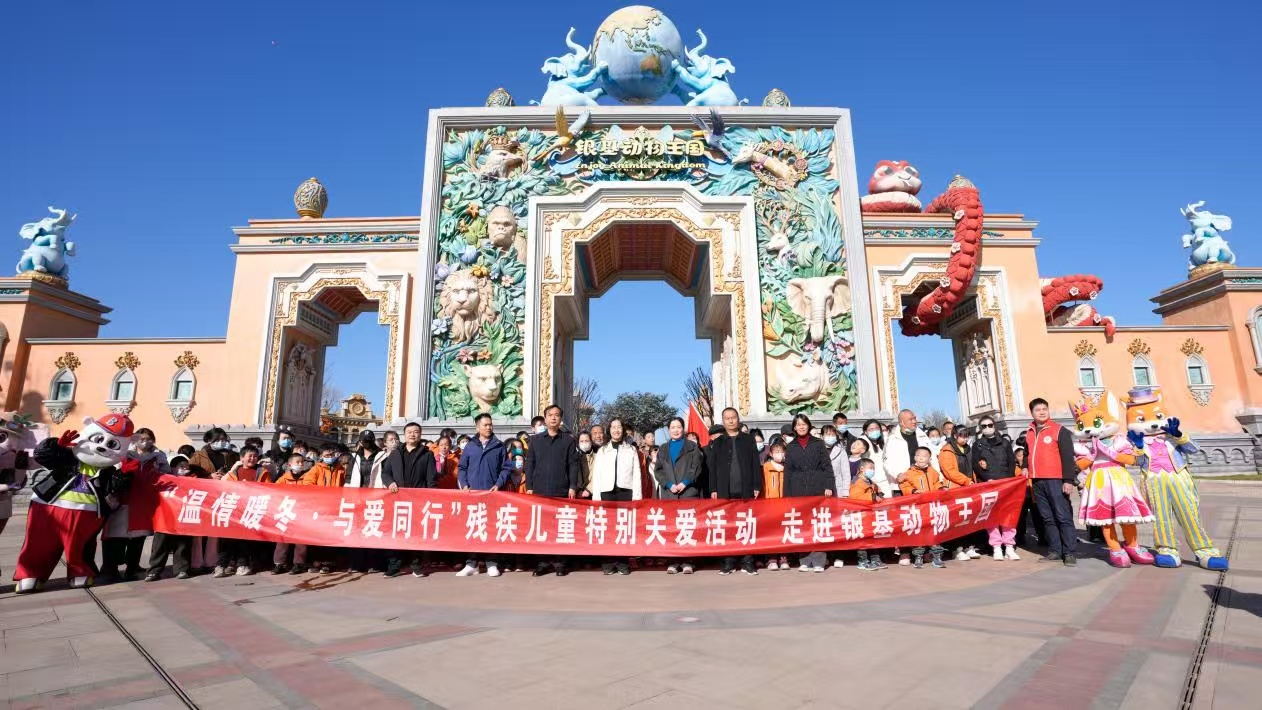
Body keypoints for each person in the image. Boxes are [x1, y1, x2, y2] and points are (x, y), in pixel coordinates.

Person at [1018, 397, 1080, 566]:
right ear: (1032, 413)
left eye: (1044, 408)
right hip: (1037, 481)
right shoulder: (1029, 432)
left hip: (1056, 480)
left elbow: (1068, 458)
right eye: (1038, 410)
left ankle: (1070, 552)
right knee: (1047, 517)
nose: (1042, 412)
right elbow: (1027, 453)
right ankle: (1055, 550)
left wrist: (1068, 480)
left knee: (1062, 516)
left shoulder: (1059, 430)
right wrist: (1025, 466)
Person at [101, 428, 167, 582]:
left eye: (149, 438)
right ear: (134, 440)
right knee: (117, 537)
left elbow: (167, 475)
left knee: (138, 537)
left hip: (145, 502)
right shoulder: (124, 455)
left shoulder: (159, 457)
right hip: (123, 500)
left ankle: (133, 567)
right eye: (141, 438)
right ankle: (110, 569)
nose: (145, 442)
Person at [525, 405, 581, 577]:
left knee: (560, 527)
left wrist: (572, 486)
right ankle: (542, 562)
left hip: (561, 490)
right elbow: (530, 464)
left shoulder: (568, 440)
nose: (554, 418)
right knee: (542, 527)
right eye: (550, 415)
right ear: (545, 418)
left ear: (560, 419)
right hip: (540, 490)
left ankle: (560, 562)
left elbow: (573, 465)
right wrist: (529, 486)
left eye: (557, 415)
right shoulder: (535, 441)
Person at [456, 413, 513, 578]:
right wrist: (464, 484)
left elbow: (506, 468)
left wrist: (498, 484)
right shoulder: (470, 446)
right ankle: (471, 564)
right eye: (485, 425)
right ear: (477, 427)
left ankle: (491, 563)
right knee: (473, 527)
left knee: (490, 528)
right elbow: (462, 468)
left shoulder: (498, 445)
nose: (489, 427)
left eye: (490, 424)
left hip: (491, 494)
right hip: (472, 494)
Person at [708, 408, 762, 576]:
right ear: (723, 421)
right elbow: (713, 468)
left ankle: (747, 561)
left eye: (733, 418)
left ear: (738, 419)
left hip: (745, 490)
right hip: (725, 491)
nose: (730, 421)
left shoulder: (748, 440)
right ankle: (729, 561)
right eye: (727, 418)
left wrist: (756, 486)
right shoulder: (718, 442)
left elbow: (755, 464)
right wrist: (714, 489)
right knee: (728, 526)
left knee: (746, 524)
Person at [381, 422, 439, 577]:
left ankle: (416, 564)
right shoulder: (395, 454)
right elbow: (385, 474)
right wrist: (390, 483)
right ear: (404, 435)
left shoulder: (427, 454)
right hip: (398, 500)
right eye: (409, 432)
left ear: (420, 435)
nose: (412, 434)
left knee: (416, 533)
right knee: (396, 533)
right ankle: (395, 565)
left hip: (419, 501)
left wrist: (430, 497)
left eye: (416, 432)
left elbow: (431, 479)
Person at [590, 418, 642, 575]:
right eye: (613, 427)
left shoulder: (631, 450)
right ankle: (608, 561)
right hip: (606, 492)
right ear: (609, 430)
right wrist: (597, 498)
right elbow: (597, 476)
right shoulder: (602, 451)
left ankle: (623, 562)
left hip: (625, 492)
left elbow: (637, 474)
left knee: (623, 528)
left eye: (619, 427)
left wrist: (636, 496)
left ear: (623, 430)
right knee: (608, 528)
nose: (616, 430)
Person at [784, 414, 834, 572]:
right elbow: (788, 472)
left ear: (809, 426)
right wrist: (787, 495)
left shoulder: (818, 444)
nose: (801, 427)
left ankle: (819, 559)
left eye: (804, 424)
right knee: (803, 525)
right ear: (794, 428)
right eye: (798, 424)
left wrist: (828, 485)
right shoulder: (791, 447)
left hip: (817, 487)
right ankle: (804, 559)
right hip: (798, 489)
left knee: (818, 523)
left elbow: (827, 466)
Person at [654, 417, 704, 574]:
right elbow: (658, 470)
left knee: (687, 527)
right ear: (669, 430)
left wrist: (685, 482)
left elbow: (696, 467)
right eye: (673, 427)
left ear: (684, 428)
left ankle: (688, 560)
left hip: (688, 492)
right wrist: (669, 485)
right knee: (672, 528)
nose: (676, 430)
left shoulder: (692, 447)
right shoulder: (663, 449)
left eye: (678, 427)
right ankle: (673, 560)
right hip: (670, 493)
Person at [972, 416, 1019, 561]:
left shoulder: (1004, 443)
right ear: (980, 428)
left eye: (989, 425)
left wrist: (1010, 480)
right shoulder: (978, 445)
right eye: (984, 426)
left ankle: (1009, 546)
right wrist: (986, 478)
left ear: (995, 425)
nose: (987, 428)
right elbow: (975, 465)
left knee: (1008, 515)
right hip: (989, 484)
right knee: (992, 516)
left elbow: (1011, 463)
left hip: (1006, 483)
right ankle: (996, 546)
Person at [146, 455, 195, 581]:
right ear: (173, 468)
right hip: (164, 518)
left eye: (186, 467)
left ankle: (182, 569)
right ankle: (154, 571)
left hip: (183, 518)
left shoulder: (193, 481)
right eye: (181, 466)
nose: (184, 469)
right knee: (160, 545)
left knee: (182, 545)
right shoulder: (165, 480)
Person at [897, 447, 947, 568]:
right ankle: (918, 556)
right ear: (914, 458)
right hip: (918, 509)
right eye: (918, 455)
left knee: (934, 532)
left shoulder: (933, 472)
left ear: (929, 459)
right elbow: (904, 486)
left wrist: (941, 489)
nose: (921, 458)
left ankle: (936, 556)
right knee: (919, 533)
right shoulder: (909, 473)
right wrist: (913, 491)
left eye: (924, 456)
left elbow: (936, 483)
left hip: (932, 507)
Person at [937, 426, 977, 562]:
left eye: (967, 436)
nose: (965, 438)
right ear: (954, 435)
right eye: (962, 435)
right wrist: (966, 481)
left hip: (968, 488)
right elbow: (949, 471)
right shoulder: (947, 451)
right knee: (957, 520)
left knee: (968, 518)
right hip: (956, 488)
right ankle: (957, 549)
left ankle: (968, 546)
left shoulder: (968, 449)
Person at [848, 459, 889, 571]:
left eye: (873, 468)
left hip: (870, 515)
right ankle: (863, 561)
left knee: (873, 538)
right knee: (863, 539)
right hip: (860, 515)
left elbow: (877, 489)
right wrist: (872, 498)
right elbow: (855, 498)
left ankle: (875, 559)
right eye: (870, 468)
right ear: (862, 469)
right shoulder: (856, 482)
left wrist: (879, 494)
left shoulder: (870, 481)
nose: (872, 470)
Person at [761, 440, 789, 571]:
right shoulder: (766, 467)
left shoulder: (788, 467)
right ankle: (771, 558)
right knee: (771, 532)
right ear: (771, 454)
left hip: (784, 504)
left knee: (784, 531)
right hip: (770, 504)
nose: (780, 454)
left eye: (782, 451)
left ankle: (783, 557)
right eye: (777, 451)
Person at [859, 419, 890, 497]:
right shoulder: (863, 444)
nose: (875, 431)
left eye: (877, 428)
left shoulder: (883, 443)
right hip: (872, 483)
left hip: (886, 481)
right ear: (865, 432)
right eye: (871, 429)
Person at [577, 430, 596, 498]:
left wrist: (589, 490)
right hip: (578, 494)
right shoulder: (575, 457)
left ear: (591, 442)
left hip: (594, 494)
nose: (584, 443)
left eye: (586, 441)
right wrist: (577, 490)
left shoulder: (598, 457)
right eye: (581, 441)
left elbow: (599, 476)